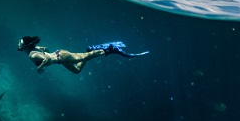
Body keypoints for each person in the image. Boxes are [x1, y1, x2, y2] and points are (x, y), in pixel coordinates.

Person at [17, 36, 148, 74]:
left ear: (26, 47)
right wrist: (47, 54)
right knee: (77, 70)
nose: (19, 45)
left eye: (20, 43)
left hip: (60, 57)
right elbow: (45, 49)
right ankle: (90, 50)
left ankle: (109, 49)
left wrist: (39, 68)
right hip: (59, 57)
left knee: (86, 57)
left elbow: (45, 58)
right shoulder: (35, 49)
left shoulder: (32, 55)